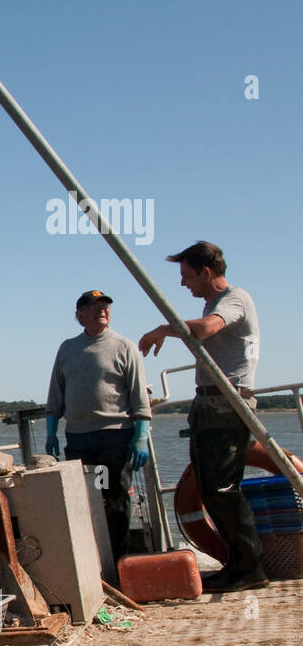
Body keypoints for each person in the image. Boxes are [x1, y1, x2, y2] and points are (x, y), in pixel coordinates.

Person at [139, 241, 265, 592]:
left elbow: (208, 328)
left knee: (222, 489)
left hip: (227, 405)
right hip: (210, 403)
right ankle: (238, 564)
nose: (183, 284)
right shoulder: (215, 301)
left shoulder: (233, 299)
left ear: (206, 273)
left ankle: (249, 567)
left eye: (187, 275)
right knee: (212, 488)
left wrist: (164, 328)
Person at [45, 290, 152, 564]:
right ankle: (92, 563)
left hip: (115, 437)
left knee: (114, 500)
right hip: (79, 438)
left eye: (105, 306)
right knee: (84, 501)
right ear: (79, 316)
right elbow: (56, 393)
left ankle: (117, 562)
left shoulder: (124, 346)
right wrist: (50, 431)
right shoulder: (67, 348)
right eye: (93, 307)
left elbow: (140, 396)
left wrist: (141, 436)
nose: (101, 310)